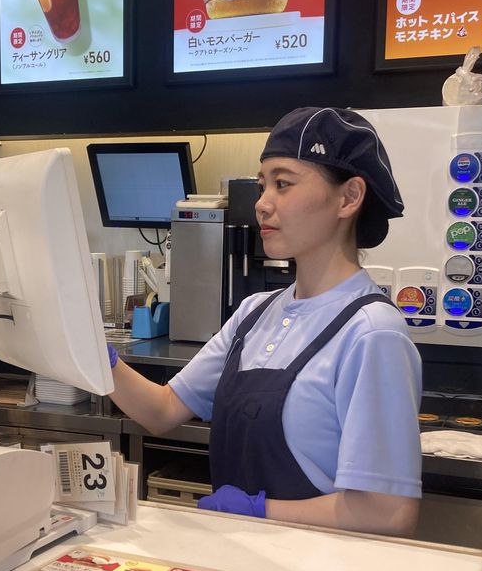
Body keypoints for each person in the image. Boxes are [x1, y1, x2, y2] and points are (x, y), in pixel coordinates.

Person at [108, 107, 422, 536]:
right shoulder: (254, 313)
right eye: (262, 186)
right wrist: (95, 358)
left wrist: (259, 511)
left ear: (349, 197)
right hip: (246, 566)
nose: (261, 203)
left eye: (283, 183)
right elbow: (162, 411)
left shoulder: (371, 333)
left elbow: (387, 513)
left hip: (321, 569)